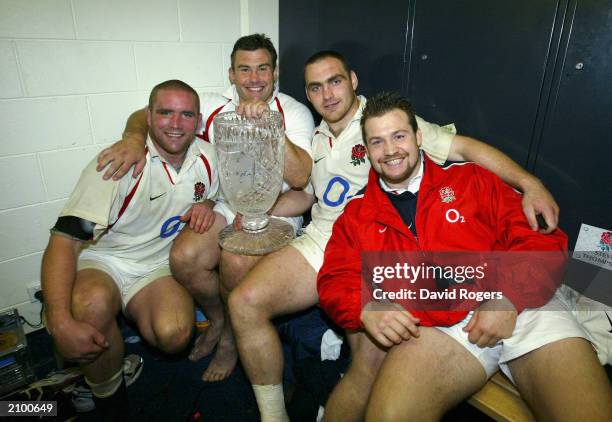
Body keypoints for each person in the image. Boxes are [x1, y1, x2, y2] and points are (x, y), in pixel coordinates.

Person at [226, 50, 564, 422]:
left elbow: (464, 148)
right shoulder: (319, 136)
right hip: (330, 237)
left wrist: (530, 183)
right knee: (244, 302)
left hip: (381, 247)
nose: (328, 94)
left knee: (369, 362)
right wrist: (259, 210)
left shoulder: (382, 121)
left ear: (353, 80)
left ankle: (344, 370)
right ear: (308, 94)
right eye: (316, 87)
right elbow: (309, 194)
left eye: (335, 81)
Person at [317, 91, 611, 421]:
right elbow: (334, 277)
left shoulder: (471, 179)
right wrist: (367, 307)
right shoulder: (356, 215)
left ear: (417, 137)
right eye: (377, 142)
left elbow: (543, 240)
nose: (390, 151)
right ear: (368, 150)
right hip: (438, 328)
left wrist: (508, 298)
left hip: (521, 302)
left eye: (399, 136)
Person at [95, 34, 315, 381]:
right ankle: (220, 319)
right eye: (244, 69)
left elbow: (301, 177)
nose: (254, 78)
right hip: (228, 203)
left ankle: (229, 340)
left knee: (235, 259)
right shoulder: (213, 104)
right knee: (183, 258)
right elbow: (146, 113)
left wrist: (270, 127)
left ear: (275, 72)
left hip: (279, 209)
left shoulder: (294, 111)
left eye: (262, 69)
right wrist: (134, 138)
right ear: (231, 73)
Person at [41, 80, 218, 418]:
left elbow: (220, 193)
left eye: (186, 115)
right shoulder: (120, 163)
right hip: (106, 260)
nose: (176, 124)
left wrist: (207, 203)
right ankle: (109, 399)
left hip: (156, 266)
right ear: (147, 117)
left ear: (198, 121)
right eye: (165, 113)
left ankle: (119, 355)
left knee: (176, 334)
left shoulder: (209, 158)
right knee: (89, 307)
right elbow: (63, 241)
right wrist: (61, 322)